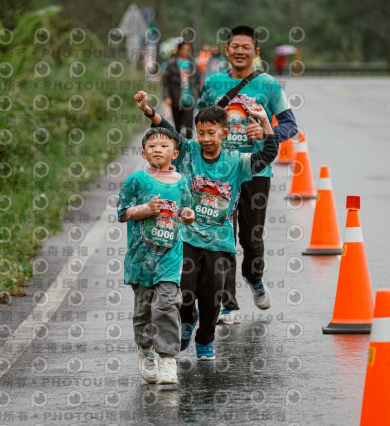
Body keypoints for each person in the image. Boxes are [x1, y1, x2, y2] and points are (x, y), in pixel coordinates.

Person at [134, 90, 279, 361]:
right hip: (187, 238)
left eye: (212, 133)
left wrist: (265, 123)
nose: (206, 139)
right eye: (201, 133)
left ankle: (205, 341)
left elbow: (269, 153)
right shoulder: (188, 153)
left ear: (224, 133)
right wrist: (148, 110)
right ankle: (188, 320)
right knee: (185, 293)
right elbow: (167, 132)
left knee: (212, 296)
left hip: (220, 242)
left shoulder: (237, 161)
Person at [198, 25, 298, 325]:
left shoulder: (268, 85)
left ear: (256, 53)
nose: (240, 51)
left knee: (252, 237)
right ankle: (227, 302)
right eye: (235, 46)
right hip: (220, 172)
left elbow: (291, 125)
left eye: (247, 47)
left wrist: (266, 131)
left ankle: (254, 278)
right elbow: (201, 122)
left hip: (256, 169)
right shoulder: (213, 83)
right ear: (227, 50)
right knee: (222, 237)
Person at [117, 127, 196, 384]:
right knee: (143, 311)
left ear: (174, 153)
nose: (157, 150)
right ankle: (145, 350)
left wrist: (187, 215)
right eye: (152, 146)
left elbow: (185, 208)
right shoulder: (136, 180)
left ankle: (167, 358)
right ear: (143, 153)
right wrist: (145, 209)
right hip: (141, 258)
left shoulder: (181, 181)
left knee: (166, 305)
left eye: (163, 146)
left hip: (170, 257)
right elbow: (123, 212)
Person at [162, 41, 202, 139]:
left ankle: (188, 144)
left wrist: (197, 94)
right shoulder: (172, 64)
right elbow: (166, 82)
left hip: (190, 98)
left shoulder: (193, 64)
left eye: (188, 50)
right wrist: (167, 96)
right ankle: (178, 144)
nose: (185, 52)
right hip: (176, 97)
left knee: (189, 123)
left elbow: (198, 80)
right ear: (179, 50)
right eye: (183, 49)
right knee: (178, 123)